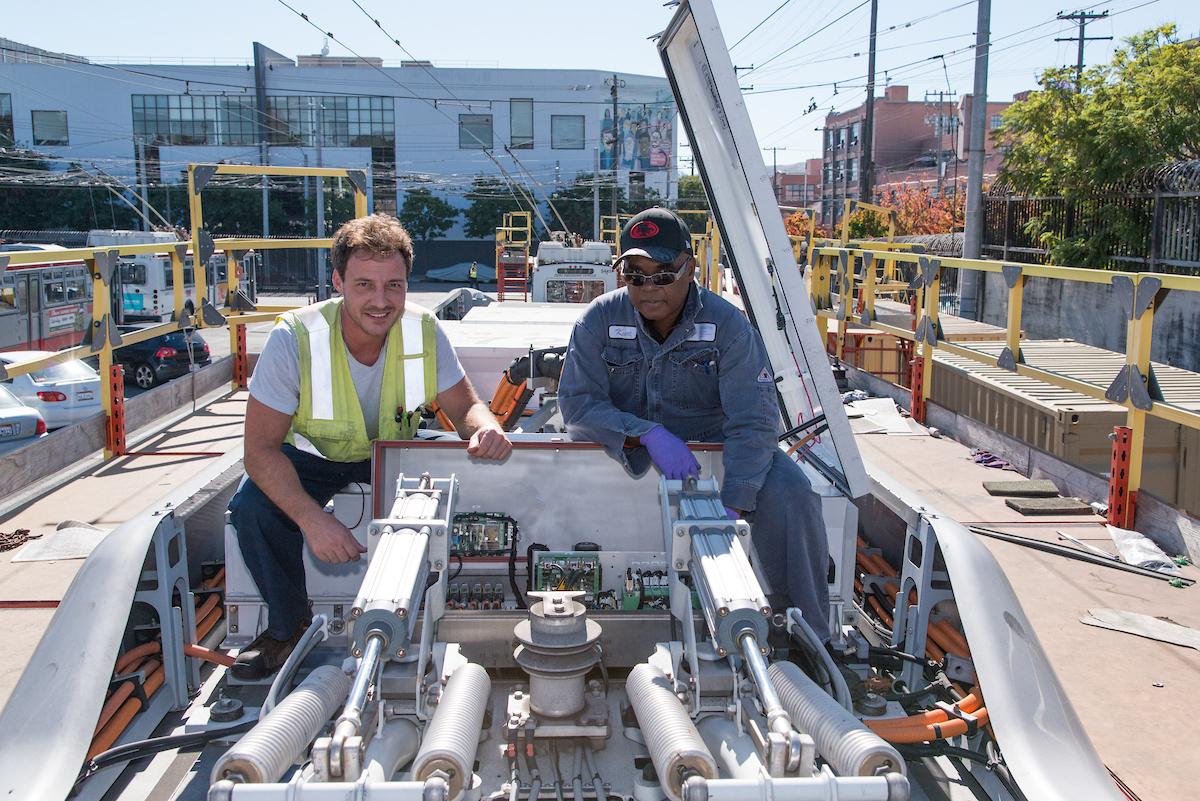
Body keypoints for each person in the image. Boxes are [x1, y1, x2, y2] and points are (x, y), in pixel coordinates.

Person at [228, 214, 512, 680]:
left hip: (392, 451)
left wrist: (485, 427)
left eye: (394, 286)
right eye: (364, 285)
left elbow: (466, 406)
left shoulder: (423, 330)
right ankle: (288, 626)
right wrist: (313, 519)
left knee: (458, 495)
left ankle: (436, 615)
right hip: (314, 457)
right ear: (338, 281)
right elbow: (259, 451)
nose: (381, 302)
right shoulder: (293, 339)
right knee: (252, 510)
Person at [557, 207, 832, 642]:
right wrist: (644, 432)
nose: (648, 289)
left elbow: (755, 421)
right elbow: (577, 405)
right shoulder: (598, 321)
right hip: (628, 448)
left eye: (663, 274)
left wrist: (735, 506)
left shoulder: (727, 327)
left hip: (718, 451)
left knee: (793, 493)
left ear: (689, 268)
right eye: (635, 274)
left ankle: (807, 636)